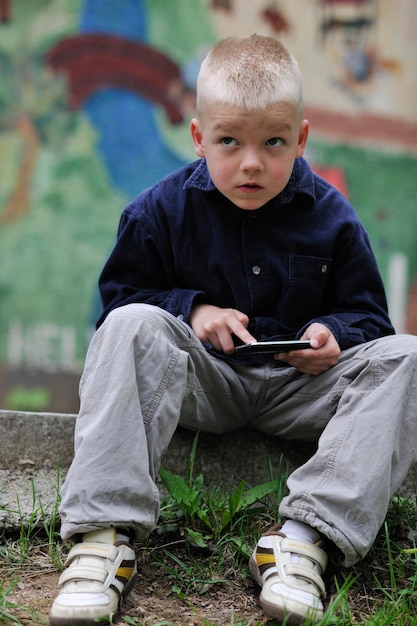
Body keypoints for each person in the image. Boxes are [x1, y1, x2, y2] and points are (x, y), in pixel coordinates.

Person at [49, 34, 417, 626]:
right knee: (133, 324)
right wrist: (192, 312)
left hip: (299, 391)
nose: (251, 162)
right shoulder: (158, 211)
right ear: (198, 138)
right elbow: (118, 309)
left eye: (273, 143)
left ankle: (304, 541)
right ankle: (100, 540)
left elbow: (371, 317)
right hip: (203, 384)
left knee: (409, 356)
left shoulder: (334, 216)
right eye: (229, 142)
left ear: (301, 138)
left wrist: (331, 334)